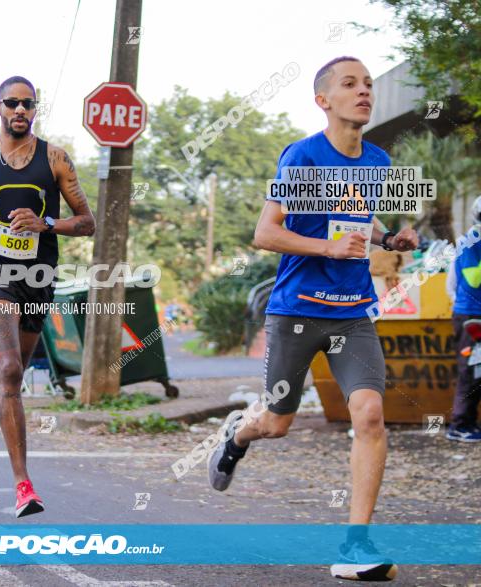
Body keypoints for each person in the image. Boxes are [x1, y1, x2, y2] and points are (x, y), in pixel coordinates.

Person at [206, 57, 418, 581]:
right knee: (277, 423)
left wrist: (389, 239)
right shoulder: (303, 158)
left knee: (369, 414)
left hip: (352, 316)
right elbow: (266, 232)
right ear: (324, 100)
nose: (364, 91)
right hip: (297, 311)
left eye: (368, 84)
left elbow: (359, 217)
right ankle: (237, 436)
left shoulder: (377, 161)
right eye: (350, 85)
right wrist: (326, 244)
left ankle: (355, 546)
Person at [0, 75, 95, 517]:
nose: (19, 110)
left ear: (35, 109)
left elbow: (87, 221)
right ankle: (23, 486)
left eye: (27, 104)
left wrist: (46, 224)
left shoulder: (56, 159)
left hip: (38, 273)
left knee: (15, 366)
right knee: (11, 367)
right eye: (11, 103)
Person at [445, 195, 481, 442]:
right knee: (472, 370)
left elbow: (451, 284)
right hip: (472, 316)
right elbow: (472, 278)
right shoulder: (473, 240)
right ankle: (460, 425)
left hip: (467, 311)